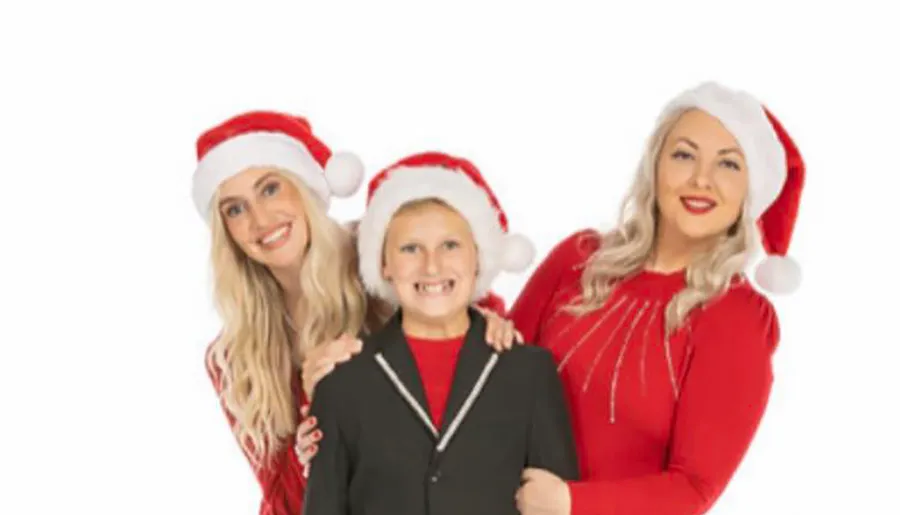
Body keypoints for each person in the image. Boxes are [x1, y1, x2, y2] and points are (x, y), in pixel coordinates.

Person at [192, 113, 518, 515]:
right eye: (235, 209)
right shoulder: (232, 357)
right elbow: (285, 504)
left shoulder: (379, 255)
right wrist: (314, 417)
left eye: (271, 189)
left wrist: (489, 327)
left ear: (303, 186)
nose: (260, 220)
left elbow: (472, 309)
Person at [509, 81, 806, 515]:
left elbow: (693, 488)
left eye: (729, 165)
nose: (701, 179)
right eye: (684, 155)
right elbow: (491, 372)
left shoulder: (735, 316)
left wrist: (569, 502)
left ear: (750, 192)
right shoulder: (578, 259)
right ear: (655, 166)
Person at [302, 152, 580, 515]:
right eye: (410, 248)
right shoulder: (343, 381)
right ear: (384, 264)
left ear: (478, 257)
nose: (432, 266)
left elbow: (556, 503)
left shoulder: (530, 373)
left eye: (450, 245)